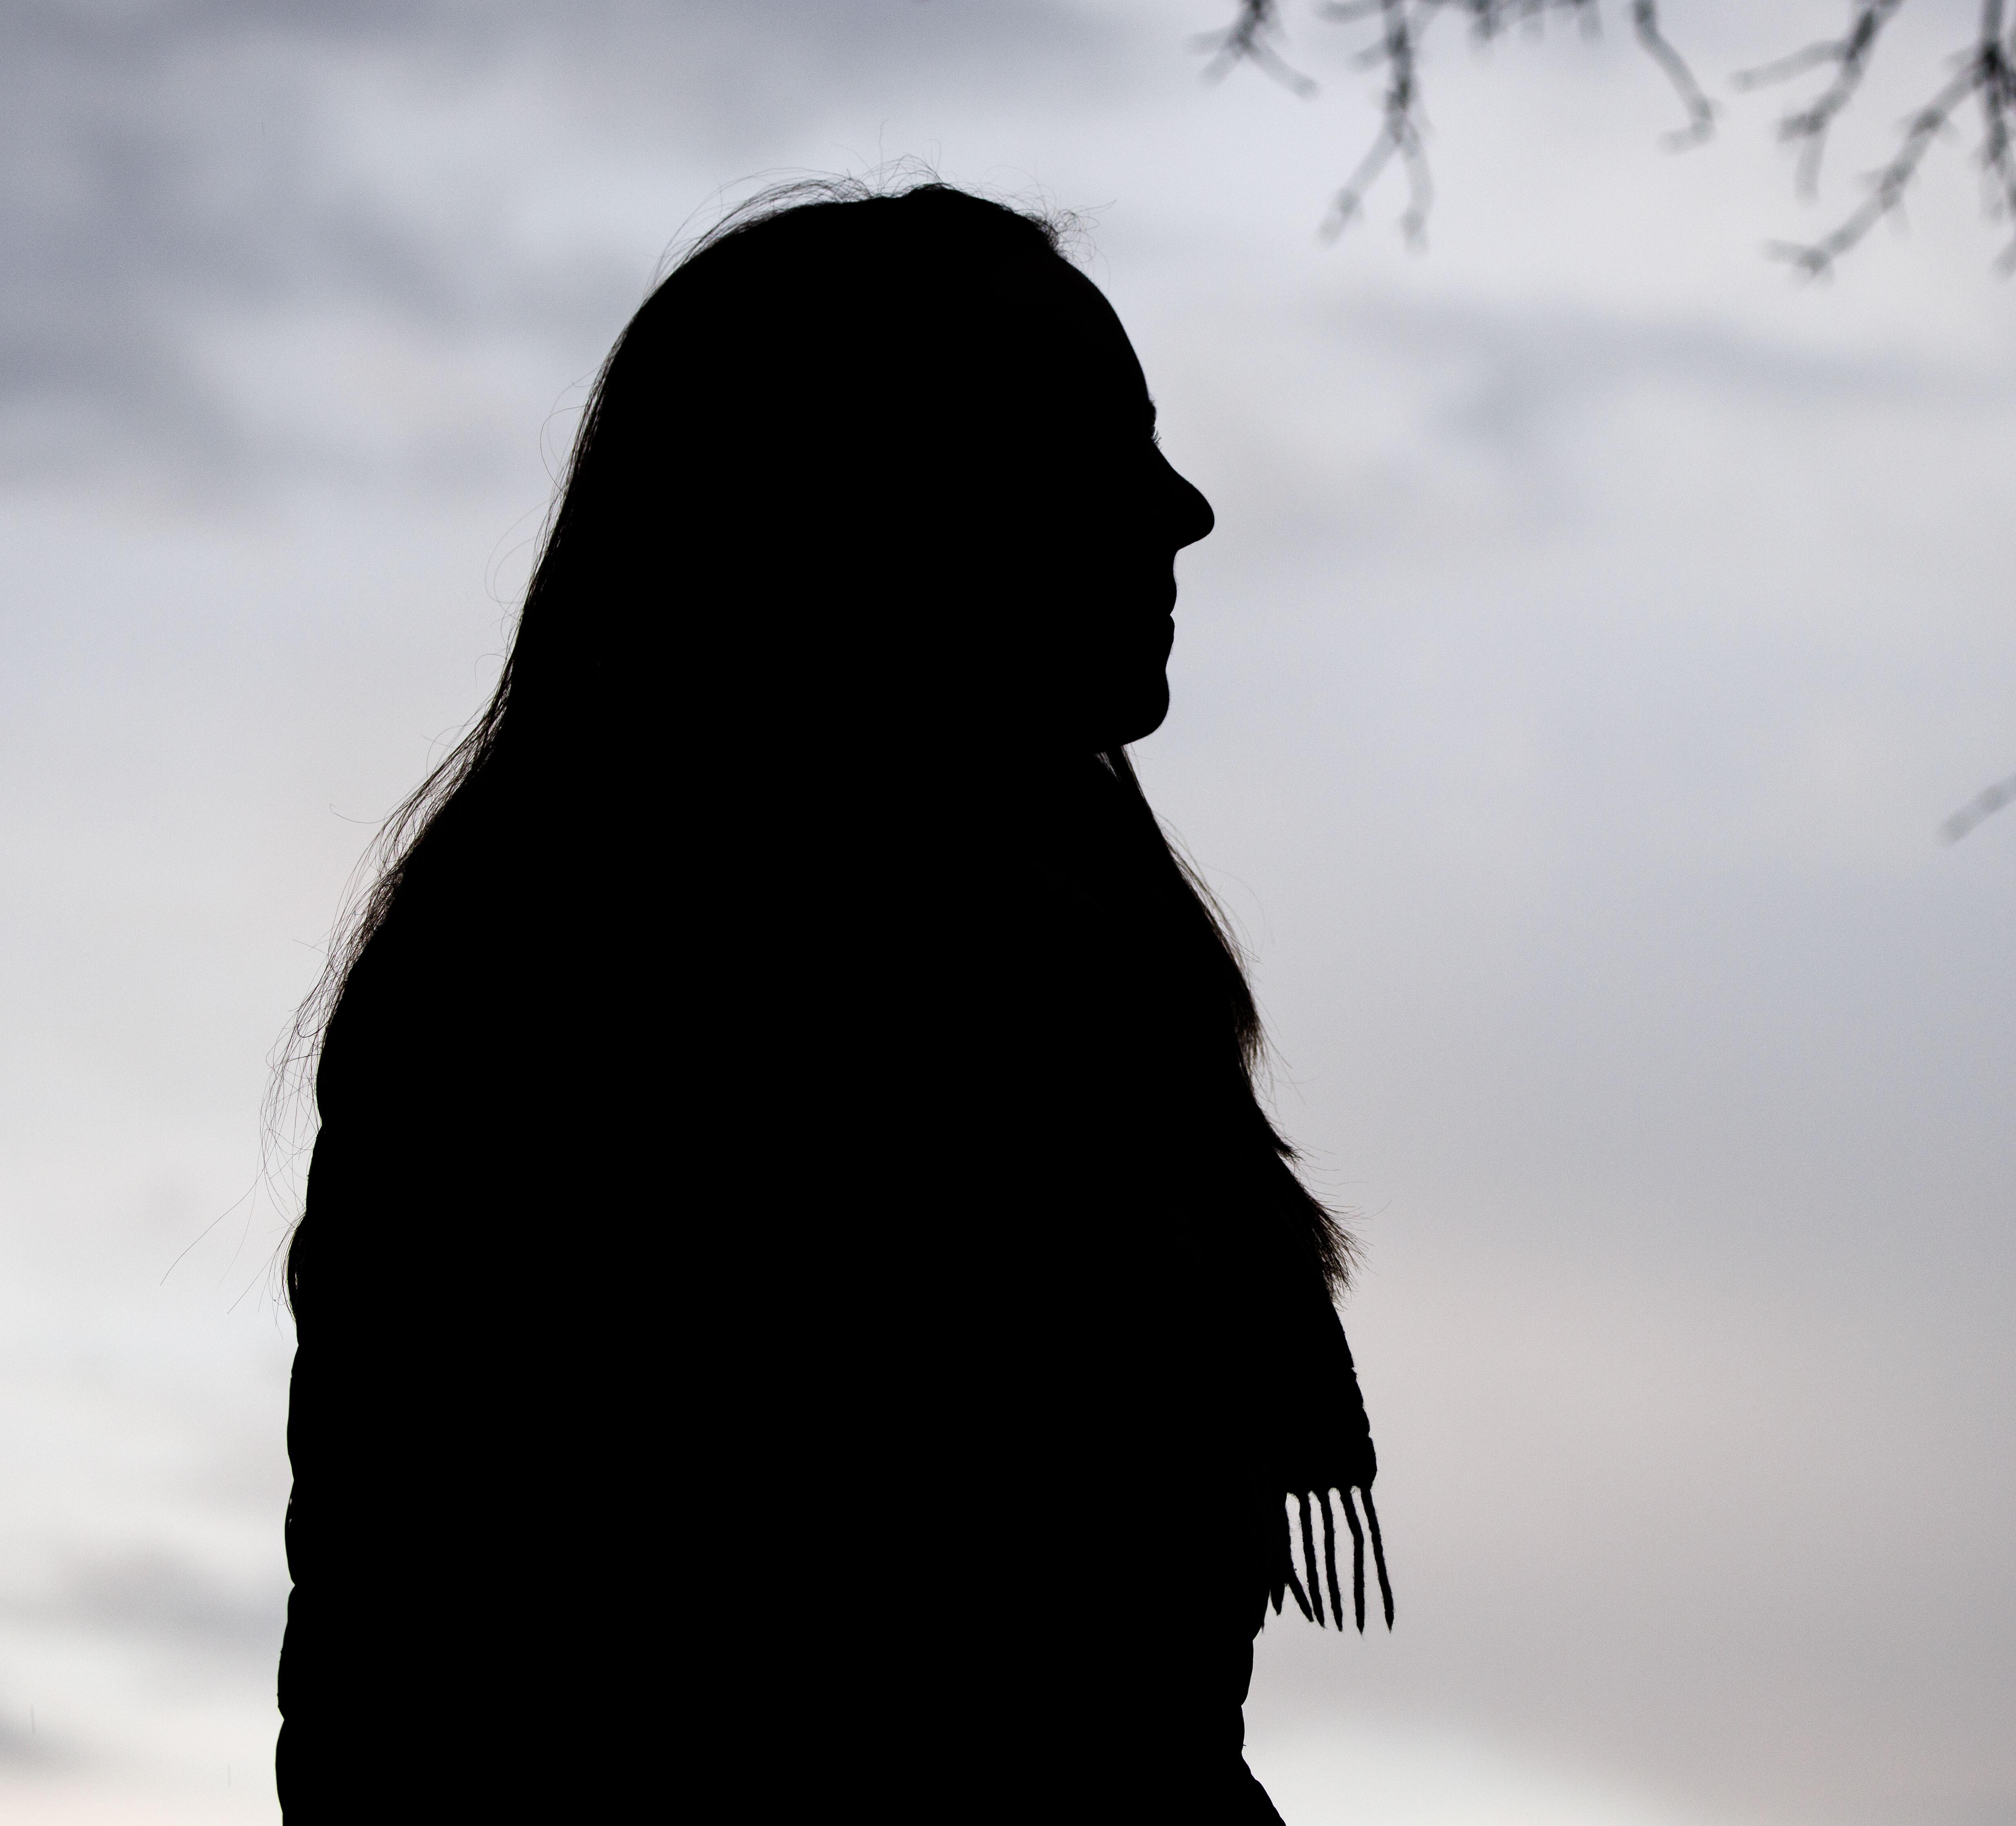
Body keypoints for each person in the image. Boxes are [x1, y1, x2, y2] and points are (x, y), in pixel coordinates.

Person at [273, 183, 1386, 1821]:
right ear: (874, 494)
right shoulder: (618, 967)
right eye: (1094, 438)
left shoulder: (1068, 984)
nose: (1182, 506)